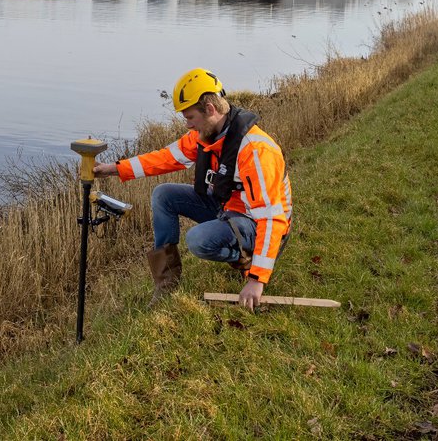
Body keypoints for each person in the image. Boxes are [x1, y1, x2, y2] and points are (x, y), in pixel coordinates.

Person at [93, 68, 292, 310]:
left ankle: (246, 259)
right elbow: (166, 157)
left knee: (197, 240)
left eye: (190, 118)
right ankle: (166, 283)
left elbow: (272, 219)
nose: (187, 125)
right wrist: (113, 169)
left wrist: (256, 280)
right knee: (163, 194)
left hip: (254, 222)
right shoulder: (206, 134)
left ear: (210, 110)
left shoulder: (256, 150)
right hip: (225, 207)